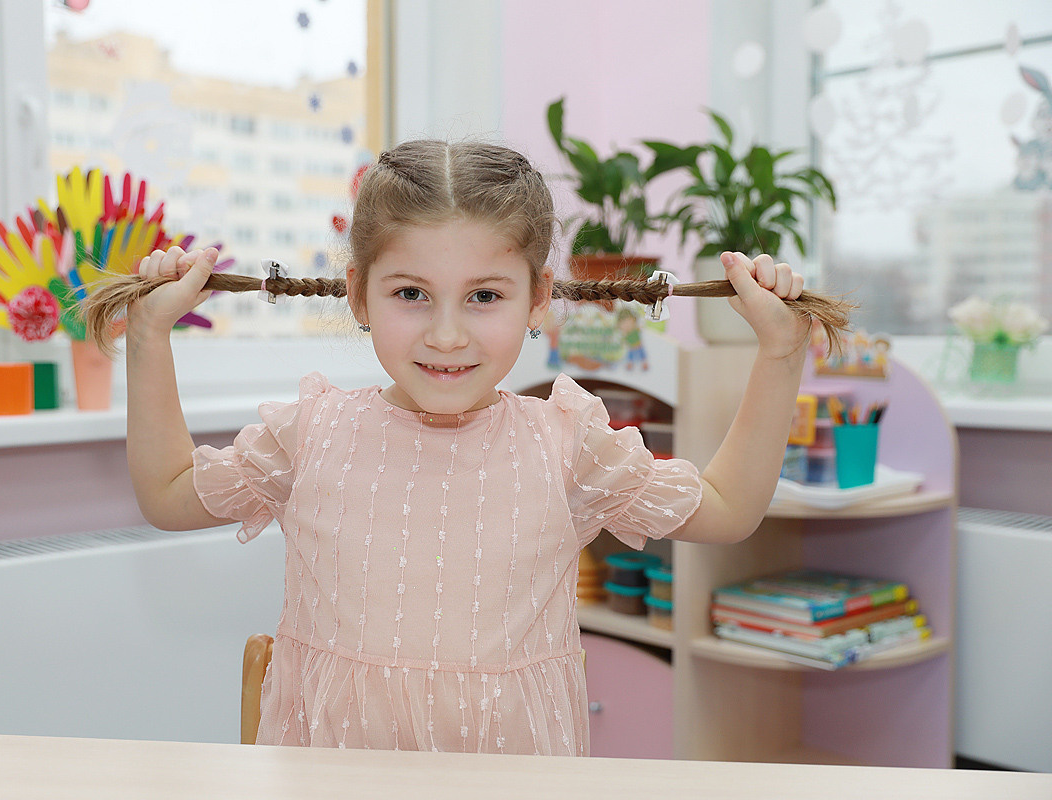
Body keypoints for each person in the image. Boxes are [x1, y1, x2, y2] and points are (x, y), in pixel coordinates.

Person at [110, 139, 821, 756]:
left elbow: (727, 509)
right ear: (358, 295)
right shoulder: (312, 434)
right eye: (410, 293)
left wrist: (781, 354)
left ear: (538, 298)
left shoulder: (566, 443)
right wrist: (146, 338)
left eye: (484, 296)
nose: (446, 335)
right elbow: (169, 495)